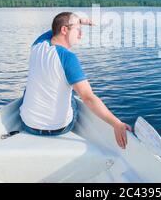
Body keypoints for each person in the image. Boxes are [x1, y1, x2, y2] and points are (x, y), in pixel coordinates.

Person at [19, 12, 131, 149]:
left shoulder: (37, 45)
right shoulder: (68, 57)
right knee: (73, 93)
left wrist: (79, 21)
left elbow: (54, 30)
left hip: (28, 124)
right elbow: (88, 98)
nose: (80, 35)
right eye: (78, 30)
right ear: (64, 30)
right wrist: (116, 123)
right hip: (58, 129)